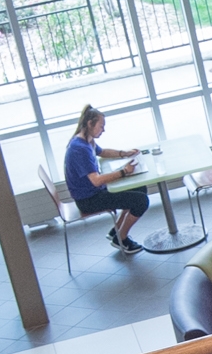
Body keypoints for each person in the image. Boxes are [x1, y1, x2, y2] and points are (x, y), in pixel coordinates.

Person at [64, 105, 153, 254]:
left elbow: (102, 152)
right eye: (101, 126)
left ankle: (116, 230)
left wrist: (123, 153)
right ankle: (121, 239)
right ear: (90, 124)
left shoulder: (86, 140)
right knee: (141, 201)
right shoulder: (80, 149)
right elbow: (96, 181)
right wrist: (124, 172)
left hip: (93, 192)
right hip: (88, 199)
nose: (103, 130)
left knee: (140, 188)